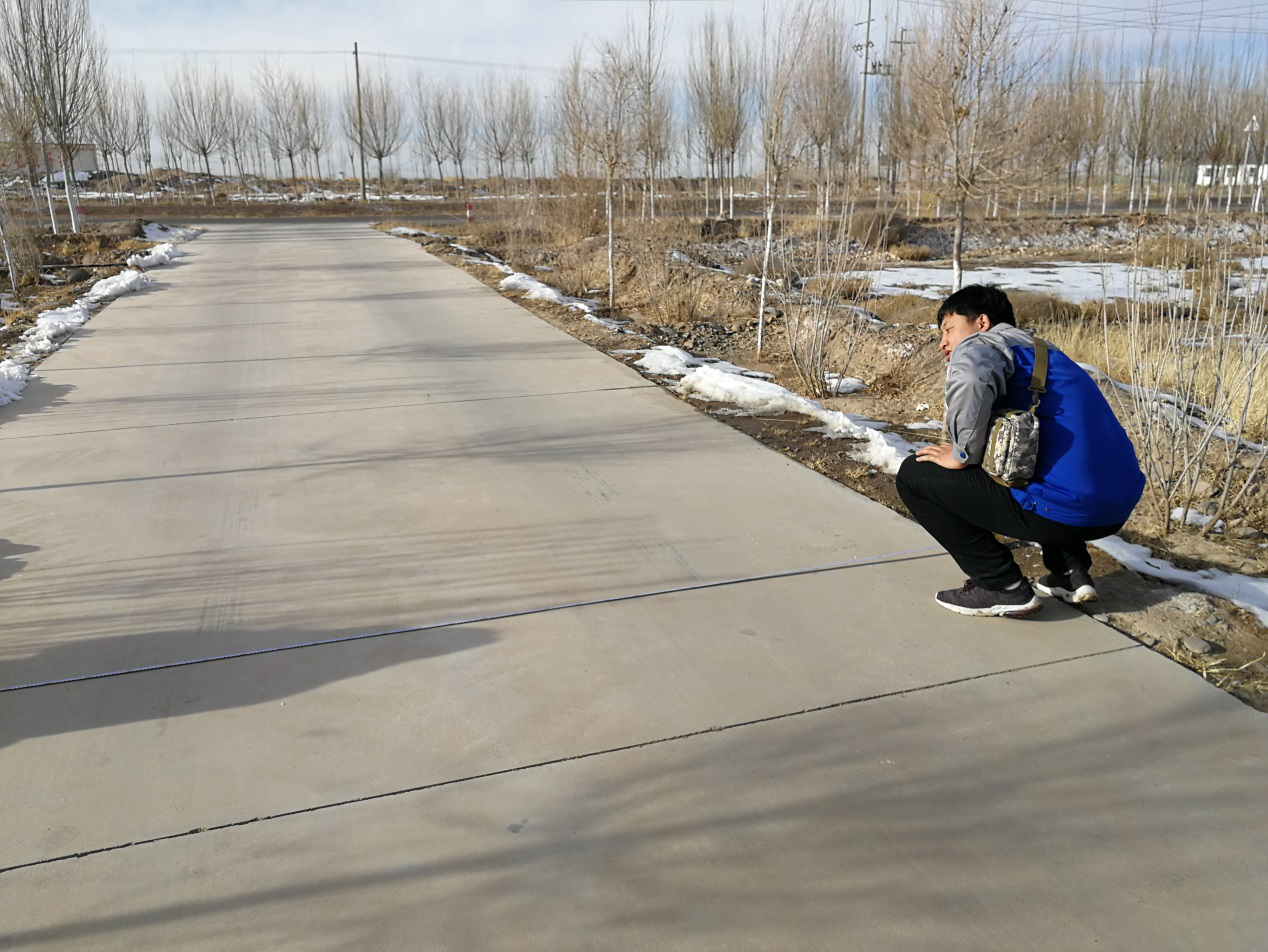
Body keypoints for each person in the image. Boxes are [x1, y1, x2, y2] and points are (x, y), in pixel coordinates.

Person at [896, 284, 1145, 618]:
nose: (943, 342)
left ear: (981, 322)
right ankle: (1069, 572)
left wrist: (960, 454)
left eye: (948, 329)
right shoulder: (1047, 354)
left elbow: (971, 378)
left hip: (1066, 513)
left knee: (914, 475)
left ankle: (1002, 585)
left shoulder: (980, 346)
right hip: (1114, 509)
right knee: (1022, 456)